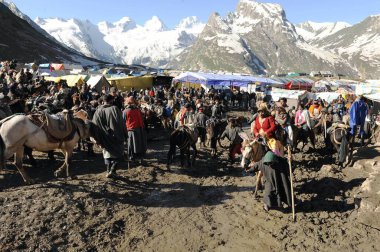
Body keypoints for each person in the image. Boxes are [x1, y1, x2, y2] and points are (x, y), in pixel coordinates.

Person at [92, 94, 126, 178]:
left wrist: (96, 138)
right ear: (111, 100)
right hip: (115, 136)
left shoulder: (98, 111)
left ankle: (108, 171)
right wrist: (124, 134)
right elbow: (121, 123)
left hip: (103, 137)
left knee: (107, 153)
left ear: (103, 101)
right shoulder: (115, 109)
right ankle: (112, 170)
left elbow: (94, 125)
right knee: (118, 153)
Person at [124, 96, 147, 162]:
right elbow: (141, 120)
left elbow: (123, 122)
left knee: (131, 144)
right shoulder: (137, 110)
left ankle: (132, 157)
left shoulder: (125, 111)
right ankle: (140, 157)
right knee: (139, 143)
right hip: (139, 129)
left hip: (130, 130)